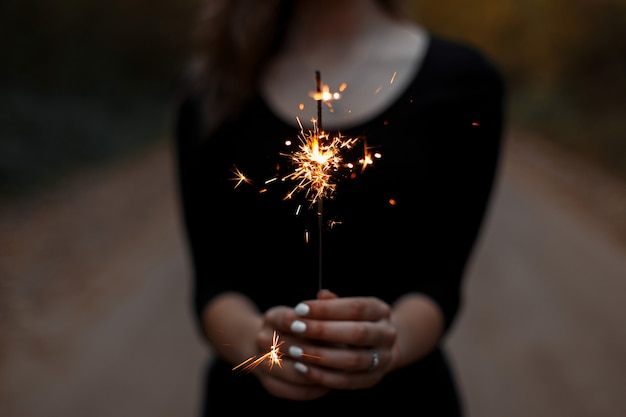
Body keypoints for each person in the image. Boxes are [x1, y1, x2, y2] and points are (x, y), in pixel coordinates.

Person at [174, 0, 505, 415]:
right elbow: (212, 284)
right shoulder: (212, 88)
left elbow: (441, 281)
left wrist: (391, 341)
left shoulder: (465, 84)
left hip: (405, 402)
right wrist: (255, 344)